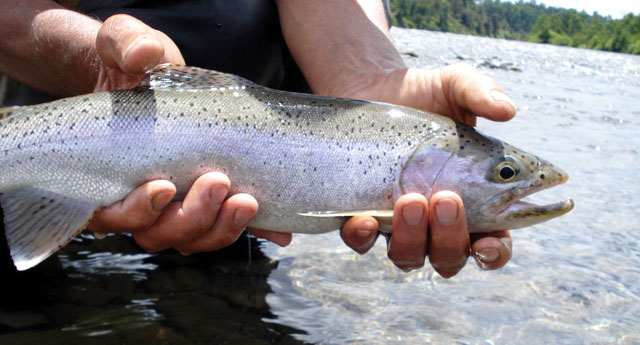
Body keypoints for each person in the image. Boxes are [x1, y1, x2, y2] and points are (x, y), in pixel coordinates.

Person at [0, 0, 514, 277]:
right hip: (48, 104)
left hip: (229, 230)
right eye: (504, 175)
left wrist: (370, 82)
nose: (506, 184)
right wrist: (95, 61)